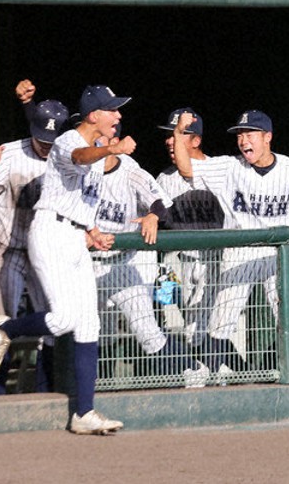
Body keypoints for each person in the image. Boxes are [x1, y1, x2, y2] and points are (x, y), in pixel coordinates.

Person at [0, 85, 134, 435]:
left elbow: (82, 197)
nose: (119, 115)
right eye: (113, 110)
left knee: (88, 325)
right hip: (49, 231)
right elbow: (79, 158)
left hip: (75, 236)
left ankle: (84, 413)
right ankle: (4, 327)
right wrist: (112, 148)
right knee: (64, 318)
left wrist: (92, 228)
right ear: (94, 115)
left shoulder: (96, 149)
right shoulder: (69, 141)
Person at [170, 109, 289, 384]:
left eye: (250, 134)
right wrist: (178, 134)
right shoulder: (230, 167)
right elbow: (186, 168)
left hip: (278, 252)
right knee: (224, 314)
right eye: (240, 135)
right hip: (241, 248)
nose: (244, 140)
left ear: (267, 137)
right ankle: (206, 373)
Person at [90, 125, 209, 387]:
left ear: (116, 142)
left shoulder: (130, 170)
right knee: (97, 334)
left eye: (100, 140)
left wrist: (154, 216)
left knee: (149, 330)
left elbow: (161, 203)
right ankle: (101, 389)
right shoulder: (81, 169)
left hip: (124, 263)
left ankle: (190, 367)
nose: (94, 146)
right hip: (88, 265)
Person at [0, 80, 68, 394]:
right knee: (1, 322)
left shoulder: (66, 157)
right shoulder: (11, 153)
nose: (45, 145)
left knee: (55, 321)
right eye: (41, 137)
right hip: (10, 247)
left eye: (51, 139)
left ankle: (47, 393)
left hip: (45, 251)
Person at [155, 108, 225, 351]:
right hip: (177, 261)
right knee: (175, 323)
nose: (170, 141)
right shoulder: (165, 178)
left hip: (213, 260)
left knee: (205, 326)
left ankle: (206, 376)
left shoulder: (219, 171)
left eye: (178, 134)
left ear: (196, 140)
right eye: (168, 135)